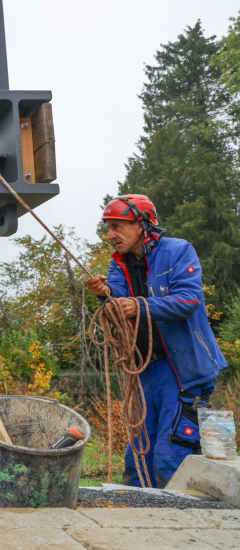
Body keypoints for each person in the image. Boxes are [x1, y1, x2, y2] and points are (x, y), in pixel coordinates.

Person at [84, 194, 227, 488]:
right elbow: (118, 297)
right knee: (137, 460)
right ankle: (135, 516)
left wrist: (140, 306)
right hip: (145, 370)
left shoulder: (178, 250)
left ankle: (181, 516)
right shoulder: (119, 263)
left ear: (142, 225)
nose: (111, 235)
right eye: (109, 228)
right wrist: (105, 293)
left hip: (184, 371)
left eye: (117, 227)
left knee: (169, 458)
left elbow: (188, 300)